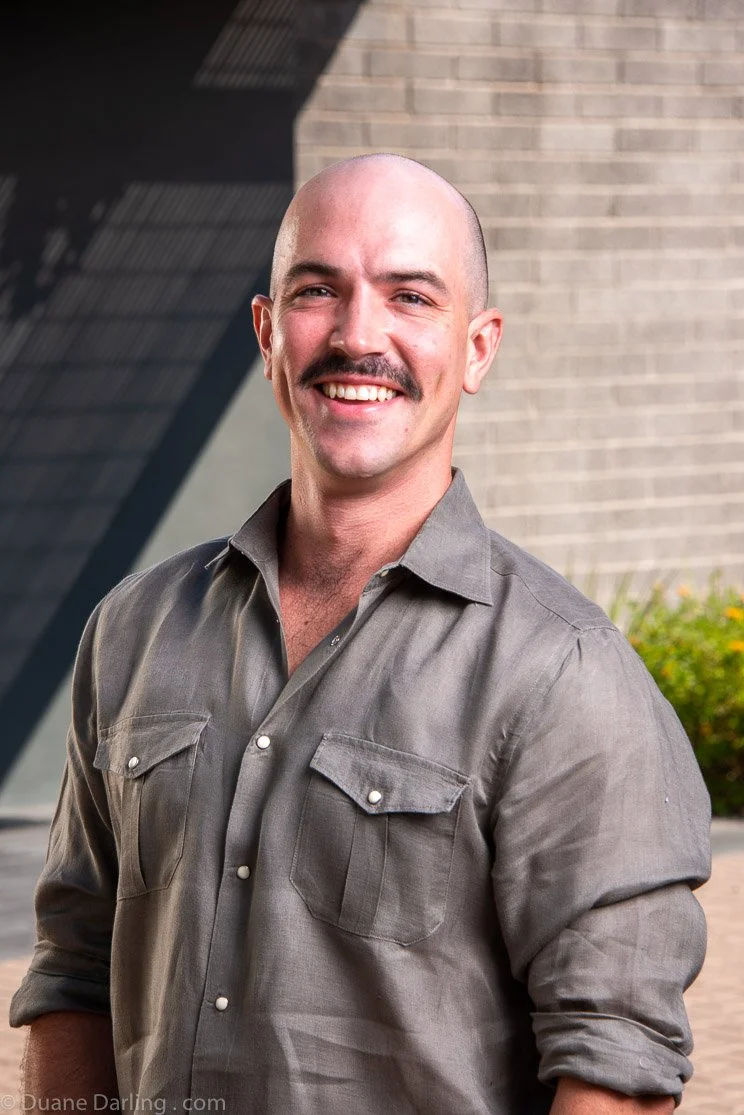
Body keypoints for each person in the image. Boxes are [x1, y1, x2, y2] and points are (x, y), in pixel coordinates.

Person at [11, 154, 711, 1114]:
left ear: (478, 348)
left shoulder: (563, 673)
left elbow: (617, 1062)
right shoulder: (134, 632)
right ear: (267, 333)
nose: (356, 335)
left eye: (410, 296)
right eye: (317, 290)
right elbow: (75, 967)